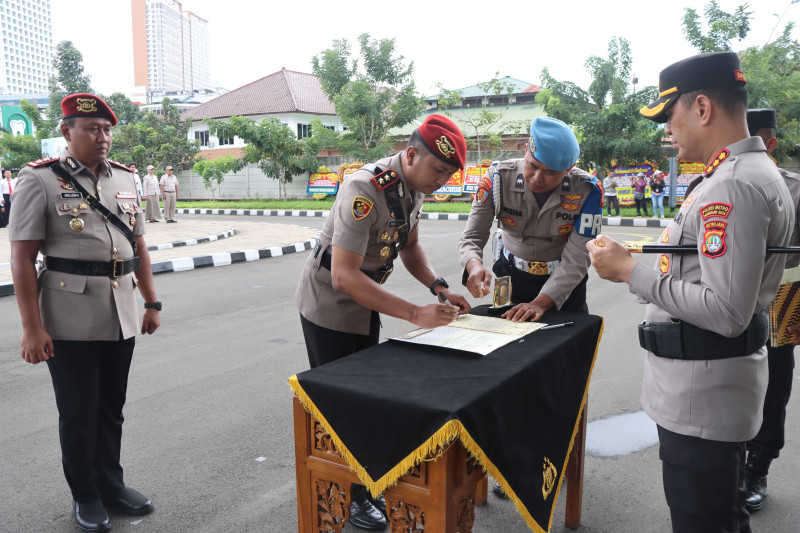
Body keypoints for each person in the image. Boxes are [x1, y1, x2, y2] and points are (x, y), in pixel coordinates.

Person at [588, 52, 794, 533]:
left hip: (702, 397)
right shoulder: (739, 174)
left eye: (669, 115)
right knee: (721, 516)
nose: (666, 130)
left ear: (702, 108)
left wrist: (629, 273)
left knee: (703, 522)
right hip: (707, 390)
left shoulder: (734, 187)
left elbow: (726, 312)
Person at [295, 114, 472, 531]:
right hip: (330, 304)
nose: (443, 181)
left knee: (366, 395)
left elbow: (409, 246)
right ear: (411, 154)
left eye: (449, 174)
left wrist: (438, 287)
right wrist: (414, 314)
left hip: (365, 298)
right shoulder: (363, 188)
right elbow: (343, 275)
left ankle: (364, 482)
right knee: (342, 404)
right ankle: (353, 497)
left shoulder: (412, 187)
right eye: (439, 170)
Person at [9, 93, 162, 533]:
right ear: (66, 132)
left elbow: (138, 247)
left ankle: (112, 485)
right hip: (67, 314)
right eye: (92, 129)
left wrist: (151, 302)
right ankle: (86, 494)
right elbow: (22, 259)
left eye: (107, 130)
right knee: (78, 411)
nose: (103, 137)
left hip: (121, 310)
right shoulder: (38, 180)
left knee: (111, 407)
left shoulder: (125, 178)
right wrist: (31, 328)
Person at [458, 116, 602, 497]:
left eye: (551, 173)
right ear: (525, 150)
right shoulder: (497, 180)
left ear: (568, 170)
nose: (538, 178)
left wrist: (543, 302)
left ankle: (554, 453)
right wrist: (474, 265)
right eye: (533, 166)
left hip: (563, 288)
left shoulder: (588, 190)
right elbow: (472, 236)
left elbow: (577, 258)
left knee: (561, 373)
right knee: (505, 370)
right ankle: (506, 458)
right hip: (510, 278)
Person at [743, 108, 800, 512]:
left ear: (771, 144)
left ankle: (758, 466)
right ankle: (725, 460)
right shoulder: (712, 182)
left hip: (781, 301)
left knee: (773, 384)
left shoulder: (795, 189)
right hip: (725, 298)